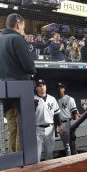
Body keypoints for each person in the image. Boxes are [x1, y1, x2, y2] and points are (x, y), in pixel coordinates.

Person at [0, 13, 36, 153]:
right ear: (18, 24)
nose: (23, 29)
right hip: (21, 91)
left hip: (5, 91)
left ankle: (13, 165)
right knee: (22, 129)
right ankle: (22, 167)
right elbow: (30, 67)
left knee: (12, 129)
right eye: (23, 26)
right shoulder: (17, 38)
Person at [34, 79, 64, 161]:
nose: (42, 87)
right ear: (36, 88)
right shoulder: (33, 99)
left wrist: (60, 124)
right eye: (39, 86)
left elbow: (56, 113)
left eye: (43, 85)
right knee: (36, 155)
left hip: (50, 129)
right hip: (37, 129)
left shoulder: (52, 99)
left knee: (50, 155)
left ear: (46, 87)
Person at [57, 82, 80, 156]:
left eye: (61, 88)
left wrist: (75, 125)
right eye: (58, 88)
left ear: (64, 89)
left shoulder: (70, 99)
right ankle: (68, 160)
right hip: (61, 124)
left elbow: (74, 112)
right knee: (66, 145)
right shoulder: (57, 101)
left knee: (72, 143)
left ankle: (75, 158)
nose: (60, 89)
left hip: (69, 122)